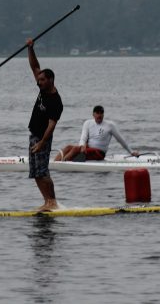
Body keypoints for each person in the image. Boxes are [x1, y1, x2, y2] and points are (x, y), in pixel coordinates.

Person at [26, 38, 63, 211]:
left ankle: (52, 201)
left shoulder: (56, 101)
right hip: (33, 134)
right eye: (39, 79)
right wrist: (30, 49)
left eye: (42, 79)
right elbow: (34, 67)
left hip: (43, 138)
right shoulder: (42, 87)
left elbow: (52, 125)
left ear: (50, 80)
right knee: (35, 173)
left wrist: (42, 143)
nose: (38, 81)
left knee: (43, 171)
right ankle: (46, 202)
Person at [54, 105, 139, 161]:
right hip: (88, 150)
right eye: (97, 113)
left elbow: (121, 140)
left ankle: (63, 163)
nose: (99, 115)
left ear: (103, 114)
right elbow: (83, 137)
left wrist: (131, 152)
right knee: (68, 147)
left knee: (76, 149)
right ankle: (55, 162)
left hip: (99, 153)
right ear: (93, 114)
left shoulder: (110, 125)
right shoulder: (88, 123)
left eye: (101, 113)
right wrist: (82, 146)